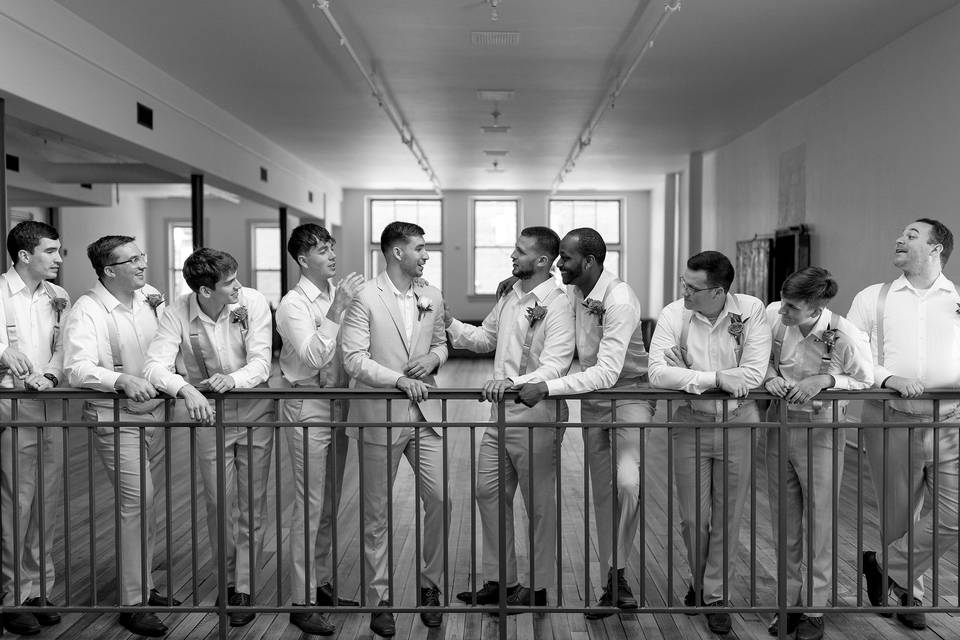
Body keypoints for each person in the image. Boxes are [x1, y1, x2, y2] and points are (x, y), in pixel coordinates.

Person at [513, 227, 652, 618]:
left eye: (567, 259)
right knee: (602, 491)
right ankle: (616, 578)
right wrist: (518, 280)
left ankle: (618, 571)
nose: (560, 264)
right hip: (593, 402)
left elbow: (608, 373)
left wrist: (548, 387)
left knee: (628, 482)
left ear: (588, 261)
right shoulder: (574, 291)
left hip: (628, 394)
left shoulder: (619, 298)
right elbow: (546, 287)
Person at [143, 248, 274, 628]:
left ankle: (244, 586)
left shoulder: (252, 302)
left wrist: (232, 380)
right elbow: (154, 364)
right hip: (208, 415)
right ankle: (228, 579)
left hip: (254, 411)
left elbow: (263, 361)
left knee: (252, 502)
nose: (238, 286)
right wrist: (185, 389)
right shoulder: (177, 312)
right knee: (219, 501)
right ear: (204, 290)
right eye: (229, 282)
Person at [446, 227, 574, 610]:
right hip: (498, 412)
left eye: (520, 251)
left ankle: (536, 589)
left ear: (541, 260)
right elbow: (485, 339)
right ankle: (500, 580)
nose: (512, 256)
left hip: (538, 413)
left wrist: (511, 381)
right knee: (489, 494)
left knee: (538, 504)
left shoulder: (559, 304)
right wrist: (449, 321)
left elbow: (556, 365)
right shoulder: (510, 295)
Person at [648, 250, 771, 636]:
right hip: (690, 423)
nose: (683, 290)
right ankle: (702, 581)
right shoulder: (673, 314)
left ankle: (714, 594)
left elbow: (752, 372)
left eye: (692, 286)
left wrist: (689, 373)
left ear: (718, 292)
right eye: (684, 282)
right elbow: (657, 373)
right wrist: (714, 378)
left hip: (740, 423)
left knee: (729, 515)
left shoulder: (751, 311)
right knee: (692, 518)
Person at [63, 236, 181, 637]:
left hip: (156, 414)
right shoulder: (87, 309)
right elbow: (76, 368)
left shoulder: (150, 297)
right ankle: (132, 603)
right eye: (133, 260)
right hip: (115, 417)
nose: (143, 264)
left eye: (142, 255)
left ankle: (145, 586)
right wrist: (121, 379)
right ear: (109, 271)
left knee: (147, 505)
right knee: (137, 503)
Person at [847, 218, 960, 631]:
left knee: (953, 516)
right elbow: (851, 354)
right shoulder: (872, 298)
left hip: (952, 421)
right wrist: (888, 378)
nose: (899, 238)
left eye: (912, 235)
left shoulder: (957, 299)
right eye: (901, 233)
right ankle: (909, 592)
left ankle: (883, 564)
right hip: (891, 420)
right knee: (899, 517)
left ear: (936, 249)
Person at [340, 221, 451, 638]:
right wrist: (399, 379)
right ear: (396, 252)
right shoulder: (364, 296)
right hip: (378, 413)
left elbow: (441, 342)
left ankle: (431, 588)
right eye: (420, 248)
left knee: (441, 498)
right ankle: (379, 598)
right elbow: (353, 358)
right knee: (376, 513)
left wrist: (434, 360)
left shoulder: (433, 295)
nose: (426, 255)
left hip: (427, 415)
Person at [762, 267, 872, 640]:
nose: (782, 313)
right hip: (779, 427)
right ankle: (788, 603)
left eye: (791, 308)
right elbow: (760, 358)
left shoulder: (844, 333)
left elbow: (866, 377)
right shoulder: (776, 319)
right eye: (783, 302)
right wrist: (768, 376)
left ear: (814, 308)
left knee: (820, 520)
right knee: (784, 520)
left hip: (823, 432)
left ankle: (814, 608)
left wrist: (826, 380)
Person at [275, 224, 364, 635]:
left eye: (332, 247)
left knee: (329, 501)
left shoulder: (334, 295)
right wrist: (337, 310)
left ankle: (323, 583)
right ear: (301, 259)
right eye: (322, 250)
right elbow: (312, 356)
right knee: (308, 504)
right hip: (307, 401)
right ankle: (301, 600)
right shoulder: (293, 303)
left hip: (339, 401)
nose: (332, 255)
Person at [0, 221, 67, 636]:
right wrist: (6, 354)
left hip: (51, 403)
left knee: (47, 500)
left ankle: (40, 587)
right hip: (12, 405)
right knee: (16, 503)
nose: (59, 259)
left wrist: (53, 378)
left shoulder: (58, 297)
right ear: (25, 256)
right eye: (51, 251)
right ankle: (11, 596)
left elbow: (64, 348)